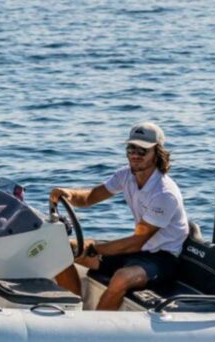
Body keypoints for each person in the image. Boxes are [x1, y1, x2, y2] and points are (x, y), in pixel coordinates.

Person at [50, 121, 189, 310]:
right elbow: (90, 197)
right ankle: (74, 312)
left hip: (162, 259)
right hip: (136, 252)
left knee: (121, 279)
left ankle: (96, 330)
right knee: (62, 249)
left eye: (142, 151)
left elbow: (137, 241)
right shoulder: (126, 175)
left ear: (157, 153)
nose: (134, 155)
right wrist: (69, 194)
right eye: (131, 149)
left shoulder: (164, 194)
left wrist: (97, 249)